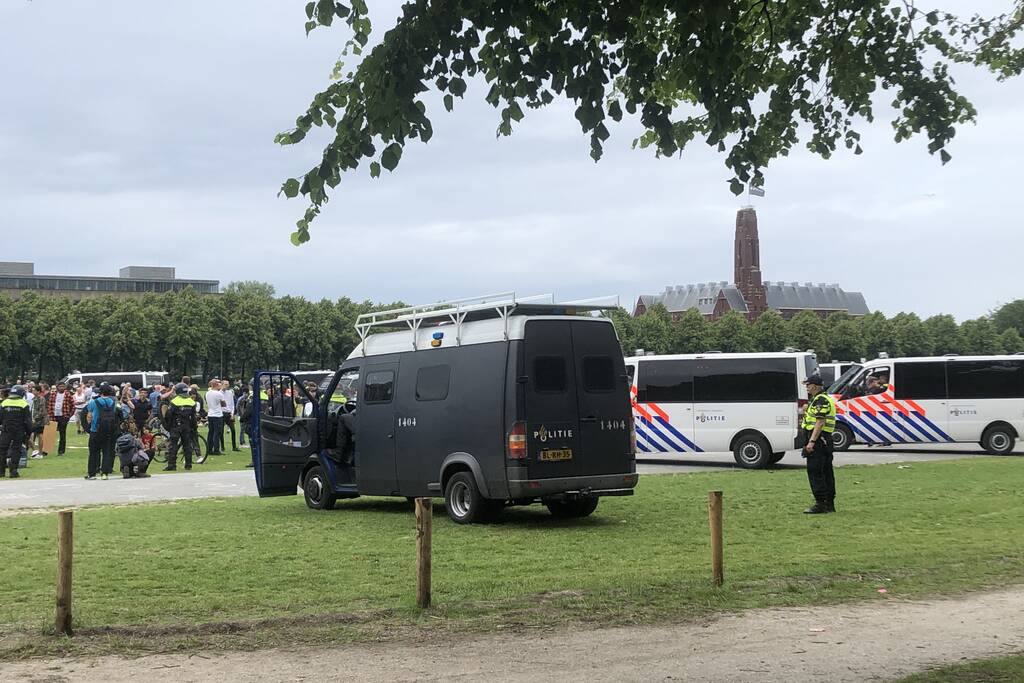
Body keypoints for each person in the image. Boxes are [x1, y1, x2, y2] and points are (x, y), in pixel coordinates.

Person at [801, 374, 838, 514]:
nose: (807, 388)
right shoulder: (820, 399)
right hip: (824, 440)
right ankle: (829, 504)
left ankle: (820, 503)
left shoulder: (821, 400)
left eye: (808, 385)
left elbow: (820, 422)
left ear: (815, 386)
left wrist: (811, 442)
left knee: (815, 471)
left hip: (819, 440)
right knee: (826, 471)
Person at [85, 383, 120, 480]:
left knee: (93, 453)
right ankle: (104, 473)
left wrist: (89, 424)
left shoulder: (93, 402)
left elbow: (89, 416)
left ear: (100, 391)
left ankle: (92, 474)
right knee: (106, 452)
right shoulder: (112, 402)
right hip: (108, 430)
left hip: (95, 430)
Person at [164, 382, 198, 471]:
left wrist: (168, 425)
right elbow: (193, 417)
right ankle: (188, 465)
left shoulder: (174, 401)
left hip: (176, 426)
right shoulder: (191, 402)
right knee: (187, 446)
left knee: (173, 446)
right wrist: (194, 428)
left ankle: (172, 465)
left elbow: (169, 414)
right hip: (187, 426)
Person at [0, 385, 33, 478]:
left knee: (2, 450)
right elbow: (28, 421)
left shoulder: (4, 403)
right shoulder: (24, 404)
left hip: (6, 430)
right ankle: (13, 471)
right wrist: (29, 432)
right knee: (16, 450)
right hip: (19, 430)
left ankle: (1, 472)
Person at [48, 381, 75, 456]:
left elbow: (73, 405)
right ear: (57, 387)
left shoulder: (68, 395)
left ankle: (61, 451)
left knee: (62, 434)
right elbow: (49, 405)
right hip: (53, 416)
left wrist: (69, 415)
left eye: (63, 386)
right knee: (50, 433)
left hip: (63, 416)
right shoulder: (53, 394)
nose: (62, 388)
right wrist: (49, 414)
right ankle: (46, 450)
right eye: (60, 386)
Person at [30, 382, 51, 458]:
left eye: (34, 390)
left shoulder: (41, 399)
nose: (33, 391)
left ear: (38, 391)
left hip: (40, 420)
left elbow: (42, 411)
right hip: (36, 419)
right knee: (36, 435)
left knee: (40, 435)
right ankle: (37, 451)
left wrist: (35, 419)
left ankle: (40, 452)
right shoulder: (34, 399)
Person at [205, 379, 226, 455]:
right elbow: (224, 404)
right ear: (216, 385)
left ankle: (209, 449)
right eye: (219, 383)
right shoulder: (219, 394)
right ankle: (216, 449)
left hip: (210, 414)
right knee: (217, 433)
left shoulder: (207, 393)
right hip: (217, 414)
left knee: (210, 432)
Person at [221, 377, 239, 452]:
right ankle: (222, 447)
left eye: (227, 384)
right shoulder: (219, 393)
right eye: (225, 384)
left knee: (233, 430)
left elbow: (232, 404)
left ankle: (234, 446)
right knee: (221, 431)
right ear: (222, 385)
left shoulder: (230, 393)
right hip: (222, 413)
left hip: (229, 413)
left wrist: (232, 414)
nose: (227, 386)